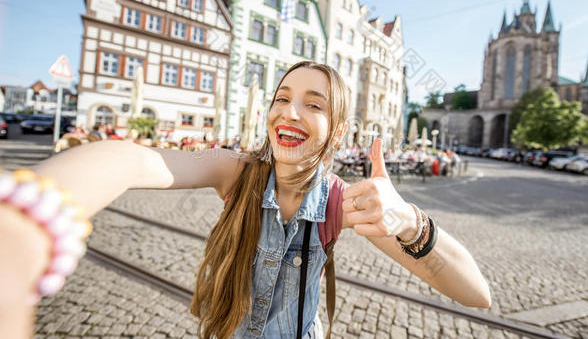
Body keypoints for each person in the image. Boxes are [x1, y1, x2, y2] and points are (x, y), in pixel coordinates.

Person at [0, 61, 490, 339]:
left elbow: (476, 293)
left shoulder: (342, 202)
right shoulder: (234, 172)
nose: (289, 111)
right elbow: (130, 160)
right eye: (281, 98)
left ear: (338, 131)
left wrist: (408, 221)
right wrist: (24, 221)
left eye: (313, 104)